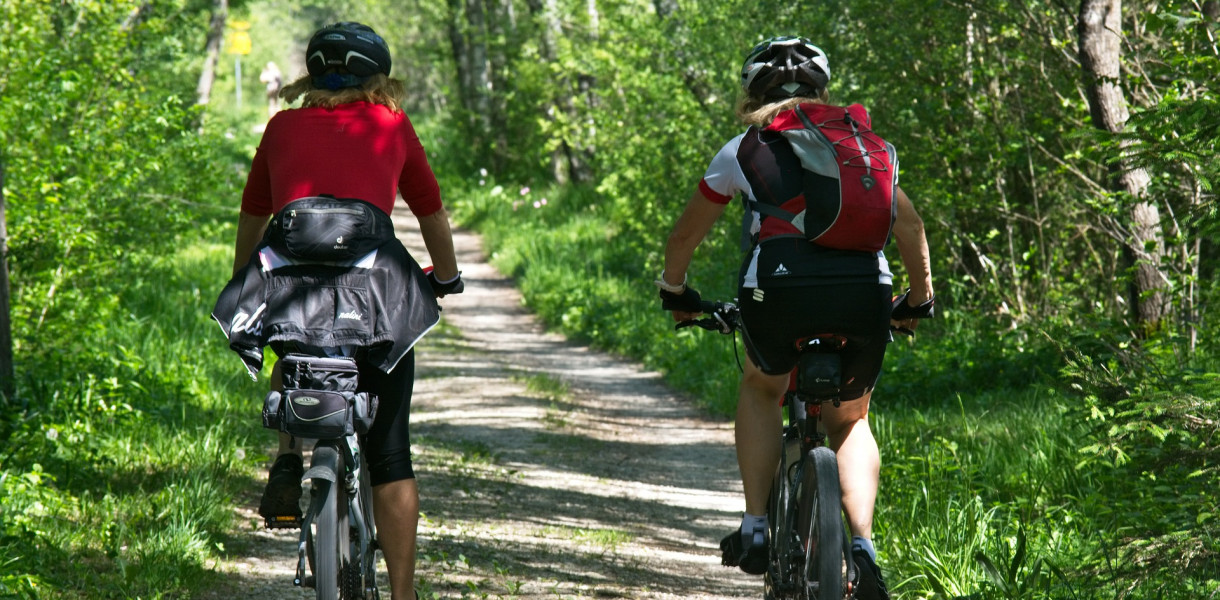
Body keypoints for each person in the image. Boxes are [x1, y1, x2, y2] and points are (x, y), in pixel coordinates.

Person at [656, 37, 935, 600]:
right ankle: (862, 548)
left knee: (762, 386)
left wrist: (676, 291)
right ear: (821, 90)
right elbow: (910, 228)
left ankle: (757, 527)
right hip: (864, 292)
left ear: (751, 94)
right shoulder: (870, 147)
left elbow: (686, 234)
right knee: (850, 419)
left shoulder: (743, 150)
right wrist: (918, 299)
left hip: (779, 292)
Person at [230, 22, 461, 600]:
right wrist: (447, 276)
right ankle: (403, 595)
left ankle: (287, 452)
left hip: (292, 292)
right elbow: (430, 212)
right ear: (377, 77)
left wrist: (244, 282)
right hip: (376, 300)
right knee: (390, 452)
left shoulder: (281, 126)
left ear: (312, 74)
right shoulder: (391, 125)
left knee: (290, 337)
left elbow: (254, 218)